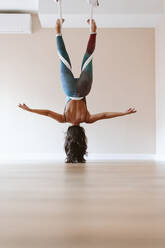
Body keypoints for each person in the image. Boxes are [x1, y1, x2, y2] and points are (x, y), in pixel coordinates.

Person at [19, 19, 137, 163]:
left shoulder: (86, 118)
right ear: (69, 136)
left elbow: (105, 115)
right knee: (63, 57)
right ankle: (58, 31)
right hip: (68, 88)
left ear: (82, 136)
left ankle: (93, 31)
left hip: (83, 89)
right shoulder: (64, 118)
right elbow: (48, 112)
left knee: (88, 56)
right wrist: (30, 110)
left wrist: (124, 113)